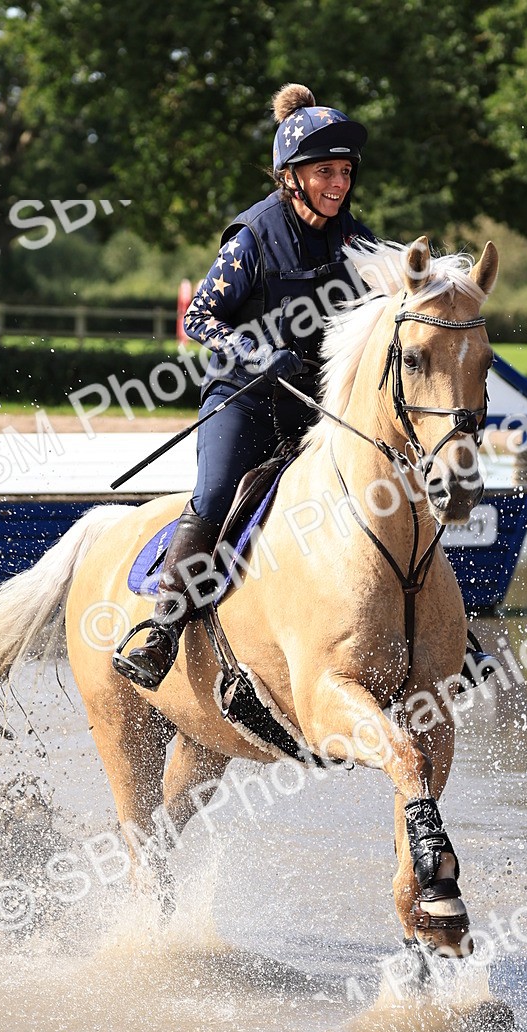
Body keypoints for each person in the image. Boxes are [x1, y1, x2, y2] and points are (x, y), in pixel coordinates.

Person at [113, 83, 376, 690]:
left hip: (317, 406)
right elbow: (199, 317)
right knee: (217, 493)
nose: (337, 183)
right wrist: (259, 354)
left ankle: (438, 630)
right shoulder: (254, 235)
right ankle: (161, 633)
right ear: (291, 176)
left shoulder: (356, 240)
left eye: (344, 171)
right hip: (246, 398)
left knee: (387, 481)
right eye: (323, 172)